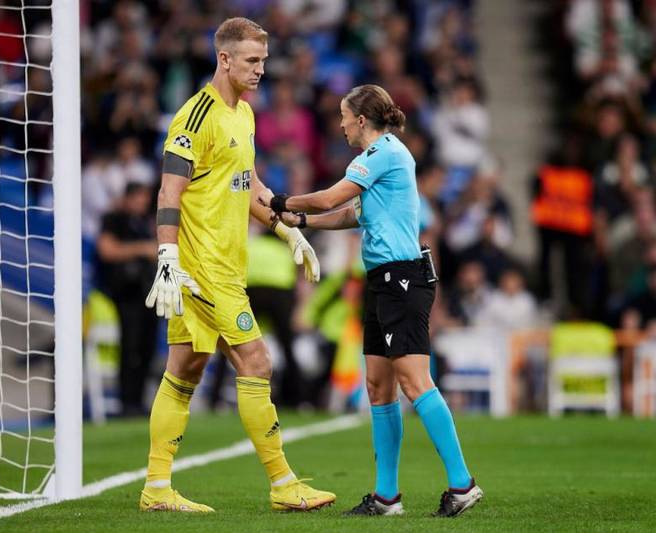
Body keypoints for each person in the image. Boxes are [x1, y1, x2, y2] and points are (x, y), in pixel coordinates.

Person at [140, 17, 334, 513]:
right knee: (257, 362)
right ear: (224, 59)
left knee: (184, 370)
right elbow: (169, 192)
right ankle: (282, 482)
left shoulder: (244, 115)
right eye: (252, 61)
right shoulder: (194, 117)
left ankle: (157, 488)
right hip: (203, 267)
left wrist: (287, 229)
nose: (260, 70)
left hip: (226, 264)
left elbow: (251, 186)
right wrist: (168, 256)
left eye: (264, 62)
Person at [261, 84, 483, 518]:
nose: (340, 124)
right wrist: (303, 219)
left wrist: (281, 201)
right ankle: (386, 498)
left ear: (361, 120)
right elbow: (350, 213)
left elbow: (332, 197)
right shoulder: (371, 160)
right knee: (378, 386)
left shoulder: (387, 152)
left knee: (414, 382)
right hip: (382, 279)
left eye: (344, 116)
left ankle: (463, 483)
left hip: (404, 277)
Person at [96, 182, 158, 416]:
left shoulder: (143, 223)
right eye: (139, 198)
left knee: (147, 348)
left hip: (146, 293)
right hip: (124, 294)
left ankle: (139, 401)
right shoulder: (114, 219)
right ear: (128, 198)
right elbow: (107, 250)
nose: (143, 203)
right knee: (130, 348)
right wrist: (143, 249)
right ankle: (126, 402)